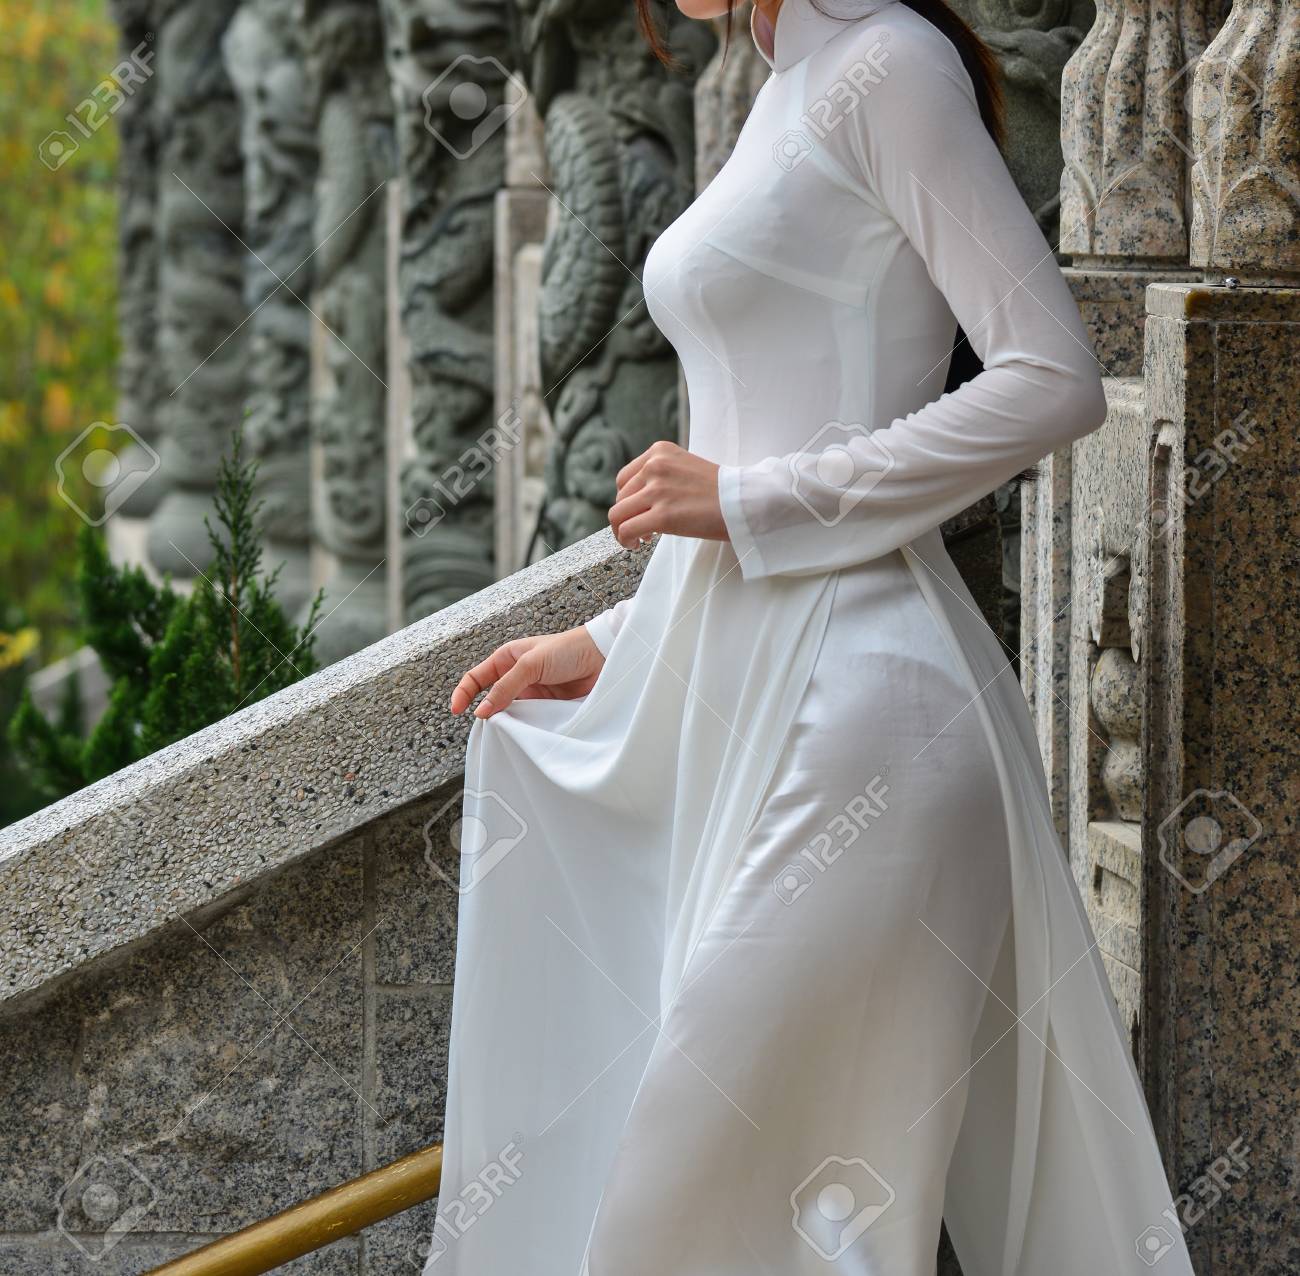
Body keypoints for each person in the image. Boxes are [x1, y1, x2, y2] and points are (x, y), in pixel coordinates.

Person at [426, 1, 1195, 1272]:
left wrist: (747, 501)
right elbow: (771, 412)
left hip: (867, 721)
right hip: (745, 696)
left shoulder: (887, 63)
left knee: (705, 1219)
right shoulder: (783, 81)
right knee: (738, 1221)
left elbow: (1048, 374)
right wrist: (625, 639)